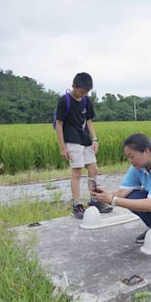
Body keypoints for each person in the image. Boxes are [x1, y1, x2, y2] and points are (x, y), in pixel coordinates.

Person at [55, 72, 112, 219]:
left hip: (85, 139)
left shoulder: (86, 100)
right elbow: (59, 124)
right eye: (81, 92)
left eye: (86, 92)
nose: (83, 95)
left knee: (93, 169)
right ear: (73, 86)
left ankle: (94, 201)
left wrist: (94, 139)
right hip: (72, 140)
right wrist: (62, 147)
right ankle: (77, 205)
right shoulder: (64, 101)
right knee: (77, 172)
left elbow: (89, 120)